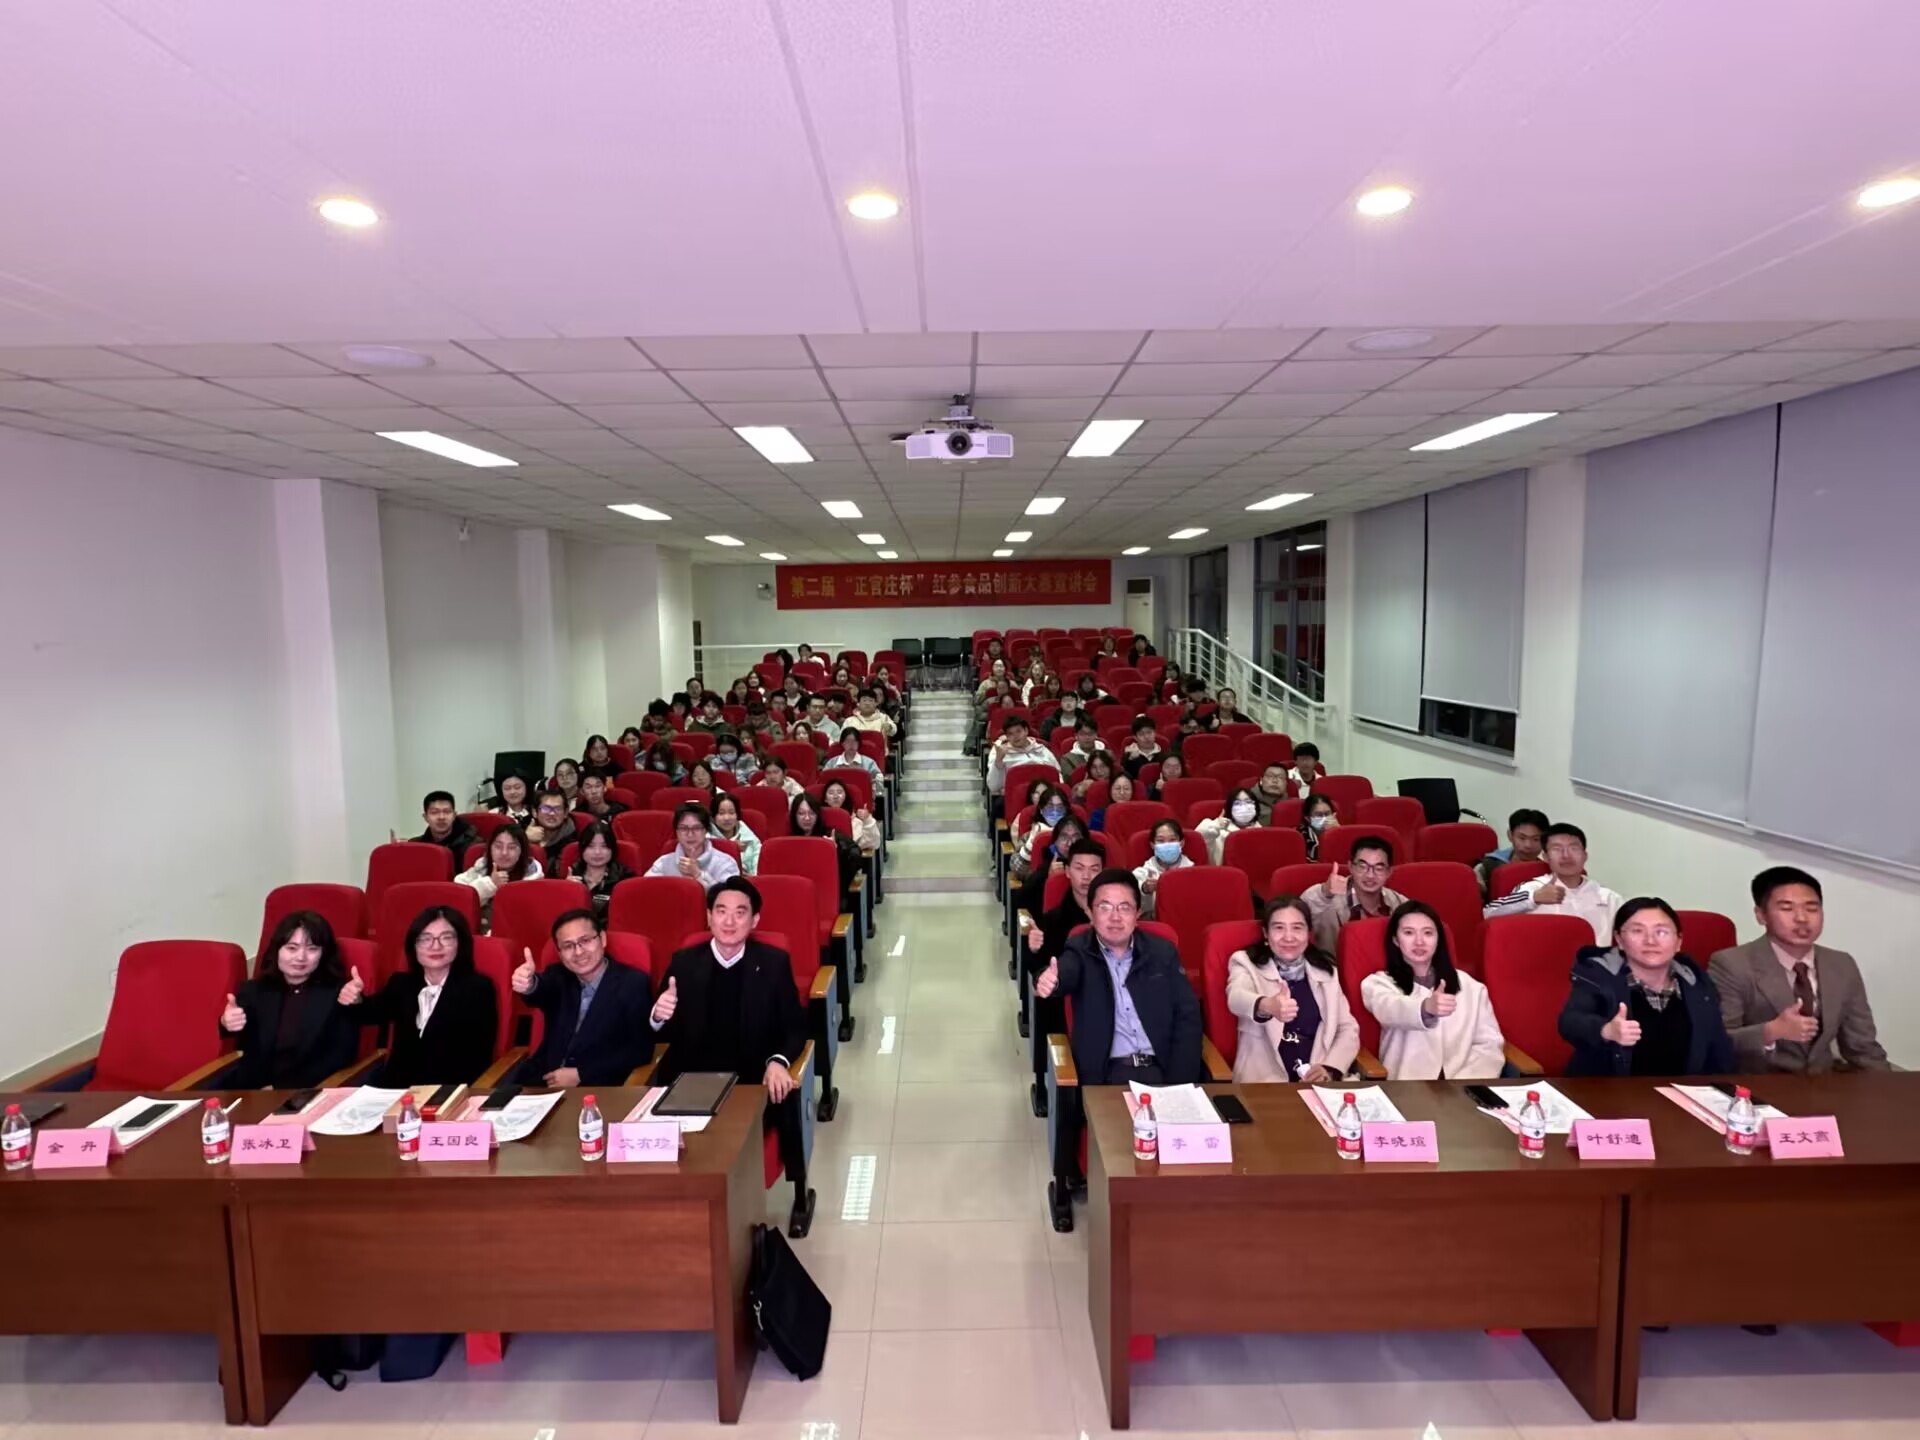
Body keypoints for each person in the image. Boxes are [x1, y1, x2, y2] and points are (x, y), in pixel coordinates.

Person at [651, 879, 814, 1237]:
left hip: (752, 1080)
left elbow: (794, 1027)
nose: (729, 921)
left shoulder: (773, 963)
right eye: (721, 911)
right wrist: (658, 1016)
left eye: (740, 913)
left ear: (754, 920)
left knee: (758, 1125)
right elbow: (663, 1030)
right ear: (708, 917)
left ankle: (786, 1199)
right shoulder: (684, 962)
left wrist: (777, 1061)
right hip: (692, 1080)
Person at [1034, 868, 1203, 1085]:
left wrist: (1179, 1085)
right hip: (1107, 1076)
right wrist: (1049, 980)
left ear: (1138, 914)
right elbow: (1065, 971)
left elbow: (1188, 1017)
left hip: (1162, 1071)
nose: (1115, 917)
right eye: (1104, 907)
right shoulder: (1079, 950)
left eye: (1124, 907)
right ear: (1090, 914)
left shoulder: (1163, 953)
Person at [1711, 866, 1888, 1073]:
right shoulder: (1732, 964)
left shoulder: (1841, 964)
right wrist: (1770, 1031)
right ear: (1761, 915)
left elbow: (1862, 1047)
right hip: (1758, 1084)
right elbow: (1715, 1042)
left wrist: (1889, 1088)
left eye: (1812, 909)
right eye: (1787, 909)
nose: (1802, 918)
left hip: (1823, 1083)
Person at [1559, 898, 1735, 1078]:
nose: (1650, 941)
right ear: (1619, 940)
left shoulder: (1695, 983)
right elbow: (1571, 1022)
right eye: (1637, 931)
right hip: (1606, 1088)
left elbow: (1718, 1047)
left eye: (1661, 932)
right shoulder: (1598, 976)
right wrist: (1606, 1030)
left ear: (1678, 942)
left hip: (1681, 1091)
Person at [1360, 901, 1506, 1081]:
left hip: (1465, 1087)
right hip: (1406, 1088)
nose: (1419, 941)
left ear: (1438, 939)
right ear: (1395, 940)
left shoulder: (1472, 987)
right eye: (1408, 933)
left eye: (1428, 933)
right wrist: (1424, 1008)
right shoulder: (1378, 983)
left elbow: (1489, 1045)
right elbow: (1391, 1008)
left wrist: (1464, 1084)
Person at [509, 909, 655, 1087]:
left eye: (585, 941)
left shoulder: (632, 982)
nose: (578, 952)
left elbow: (641, 1050)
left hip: (600, 1087)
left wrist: (582, 1074)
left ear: (602, 939)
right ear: (559, 952)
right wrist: (529, 984)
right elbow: (540, 989)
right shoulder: (557, 976)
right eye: (568, 946)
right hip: (542, 1083)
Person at [356, 906, 498, 1087]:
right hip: (395, 1091)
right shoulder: (401, 984)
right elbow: (371, 1013)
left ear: (460, 943)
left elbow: (479, 1055)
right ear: (413, 946)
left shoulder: (478, 989)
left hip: (449, 1091)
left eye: (446, 937)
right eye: (425, 939)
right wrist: (356, 999)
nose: (435, 946)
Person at [220, 911, 363, 1089]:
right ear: (277, 950)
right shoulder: (254, 990)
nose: (301, 957)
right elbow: (239, 1039)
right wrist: (226, 1022)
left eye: (312, 949)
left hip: (307, 1092)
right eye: (292, 948)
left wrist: (281, 1088)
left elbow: (342, 1056)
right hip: (252, 1093)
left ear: (323, 954)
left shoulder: (339, 993)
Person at [1226, 894, 1359, 1084]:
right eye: (1279, 928)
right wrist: (1267, 1005)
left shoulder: (1326, 971)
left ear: (1308, 933)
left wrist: (1330, 1069)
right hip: (1264, 1083)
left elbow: (1347, 1028)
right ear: (1265, 933)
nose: (1289, 937)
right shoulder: (1246, 962)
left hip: (1318, 1080)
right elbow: (1236, 997)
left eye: (1297, 928)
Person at [1484, 822, 1622, 943]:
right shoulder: (1533, 888)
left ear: (1585, 855)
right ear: (1545, 857)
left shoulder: (1608, 897)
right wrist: (1534, 898)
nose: (1566, 855)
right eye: (1557, 849)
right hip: (1544, 961)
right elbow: (1488, 912)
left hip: (1596, 963)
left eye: (1574, 848)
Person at [1302, 834, 1408, 955]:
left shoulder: (1398, 902)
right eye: (1362, 867)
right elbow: (1301, 910)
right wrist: (1325, 892)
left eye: (1379, 868)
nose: (1370, 875)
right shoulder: (1329, 899)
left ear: (1389, 872)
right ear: (1351, 867)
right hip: (1336, 966)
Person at [456, 825, 543, 923]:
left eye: (512, 847)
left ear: (522, 851)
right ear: (490, 848)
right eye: (498, 846)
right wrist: (490, 883)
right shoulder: (481, 868)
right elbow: (459, 899)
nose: (504, 853)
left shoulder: (533, 879)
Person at [645, 803, 742, 886]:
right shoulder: (663, 863)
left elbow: (731, 897)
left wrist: (699, 875)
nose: (690, 834)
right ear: (676, 832)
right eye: (683, 828)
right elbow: (645, 890)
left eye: (697, 828)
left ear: (706, 830)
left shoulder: (725, 863)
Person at [790, 792, 863, 895]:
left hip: (831, 893)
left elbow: (856, 859)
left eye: (811, 813)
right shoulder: (788, 841)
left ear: (817, 815)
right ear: (794, 815)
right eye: (801, 813)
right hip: (797, 892)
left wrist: (837, 851)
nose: (807, 818)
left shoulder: (832, 835)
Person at [1475, 808, 1548, 897]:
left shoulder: (1551, 865)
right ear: (1510, 835)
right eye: (1522, 838)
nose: (1528, 845)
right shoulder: (1489, 865)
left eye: (1536, 839)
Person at [986, 713, 1061, 795]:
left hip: (1045, 794)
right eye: (1010, 734)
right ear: (1007, 737)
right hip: (1014, 795)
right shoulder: (999, 752)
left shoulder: (1042, 749)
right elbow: (993, 786)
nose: (1015, 736)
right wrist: (998, 761)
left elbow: (1058, 775)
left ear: (1026, 731)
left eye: (1018, 731)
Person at [1132, 818, 1193, 918]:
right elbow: (1134, 907)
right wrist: (1145, 890)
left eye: (1172, 840)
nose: (1167, 845)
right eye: (1160, 841)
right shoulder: (1142, 873)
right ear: (1152, 845)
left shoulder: (1192, 871)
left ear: (1181, 843)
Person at [1011, 784, 1072, 876]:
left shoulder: (1075, 834)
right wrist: (1031, 842)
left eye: (1060, 808)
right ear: (1041, 809)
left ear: (1065, 810)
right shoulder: (1029, 835)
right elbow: (1018, 869)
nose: (1055, 812)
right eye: (1050, 807)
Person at [1198, 786, 1262, 865]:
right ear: (1229, 808)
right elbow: (1199, 839)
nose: (1243, 807)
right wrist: (1215, 825)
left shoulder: (1262, 832)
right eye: (1237, 803)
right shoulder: (1218, 831)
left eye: (1248, 802)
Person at [818, 777, 881, 854]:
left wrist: (867, 820)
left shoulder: (856, 821)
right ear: (825, 799)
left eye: (839, 792)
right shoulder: (816, 820)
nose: (835, 796)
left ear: (845, 796)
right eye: (831, 793)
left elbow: (874, 844)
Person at [412, 790, 479, 858]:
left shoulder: (473, 846)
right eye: (434, 812)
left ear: (454, 816)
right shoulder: (416, 846)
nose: (441, 817)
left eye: (447, 812)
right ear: (426, 817)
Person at [709, 792, 763, 875]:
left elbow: (758, 867)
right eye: (721, 813)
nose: (727, 818)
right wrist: (731, 847)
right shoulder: (706, 840)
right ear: (713, 816)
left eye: (731, 813)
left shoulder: (750, 838)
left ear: (737, 815)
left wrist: (751, 877)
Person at [525, 788, 576, 871]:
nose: (552, 813)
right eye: (546, 808)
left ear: (566, 813)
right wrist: (524, 839)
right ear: (534, 812)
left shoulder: (572, 841)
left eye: (558, 809)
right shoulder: (523, 830)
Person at [1249, 763, 1295, 827]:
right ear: (1261, 781)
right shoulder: (1248, 803)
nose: (1275, 781)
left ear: (1286, 783)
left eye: (1280, 777)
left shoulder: (1293, 806)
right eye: (1270, 776)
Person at [1299, 792, 1339, 862]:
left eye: (1327, 814)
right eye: (1318, 815)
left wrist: (1338, 833)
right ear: (1308, 818)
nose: (1324, 818)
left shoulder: (1340, 831)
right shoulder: (1301, 835)